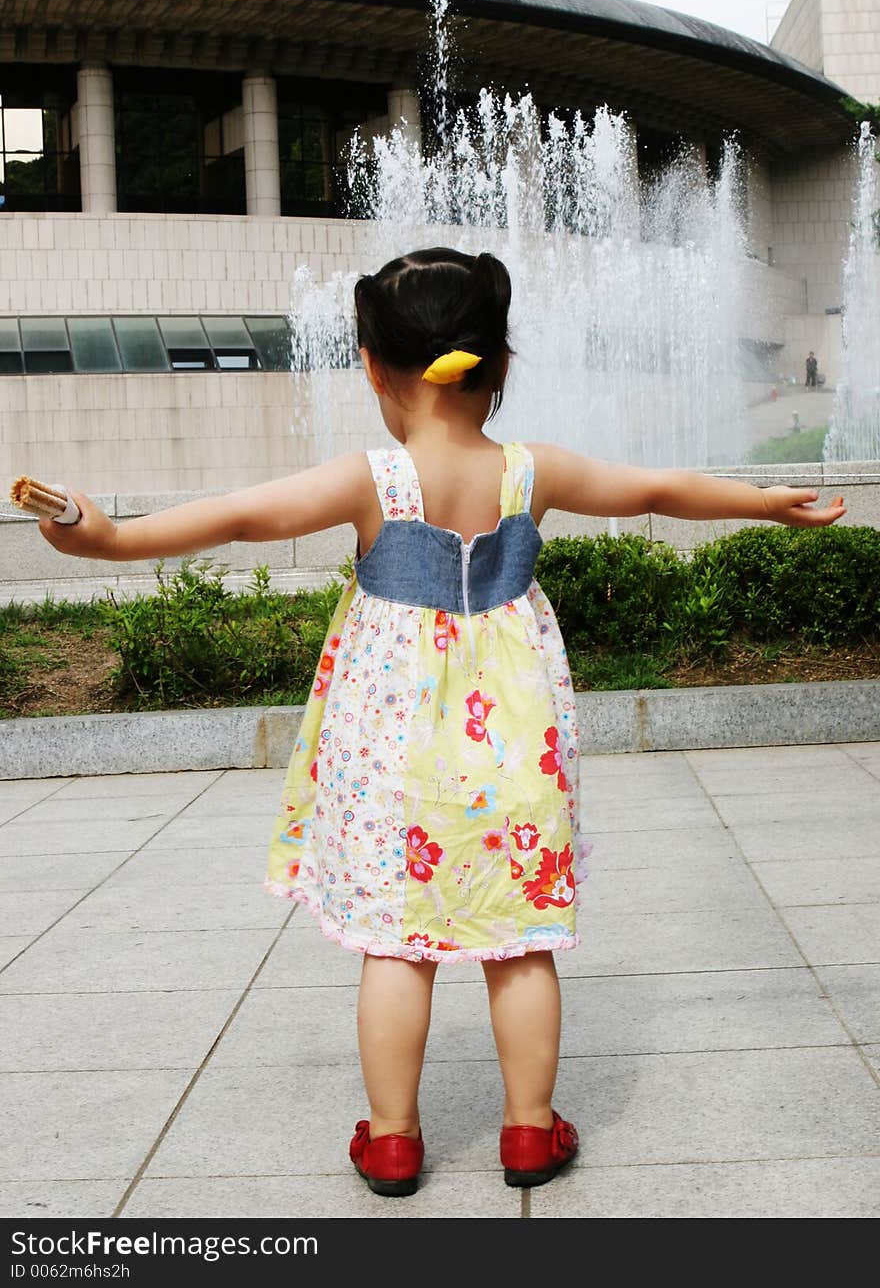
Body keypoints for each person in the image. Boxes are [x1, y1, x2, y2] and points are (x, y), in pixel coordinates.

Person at [38, 246, 846, 1198]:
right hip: (514, 739)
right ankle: (530, 1134)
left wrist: (109, 535)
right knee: (521, 939)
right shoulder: (530, 471)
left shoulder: (370, 481)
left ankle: (391, 1140)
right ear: (498, 366)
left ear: (375, 369)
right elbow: (655, 489)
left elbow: (238, 517)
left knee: (396, 940)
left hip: (393, 751)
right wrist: (765, 503)